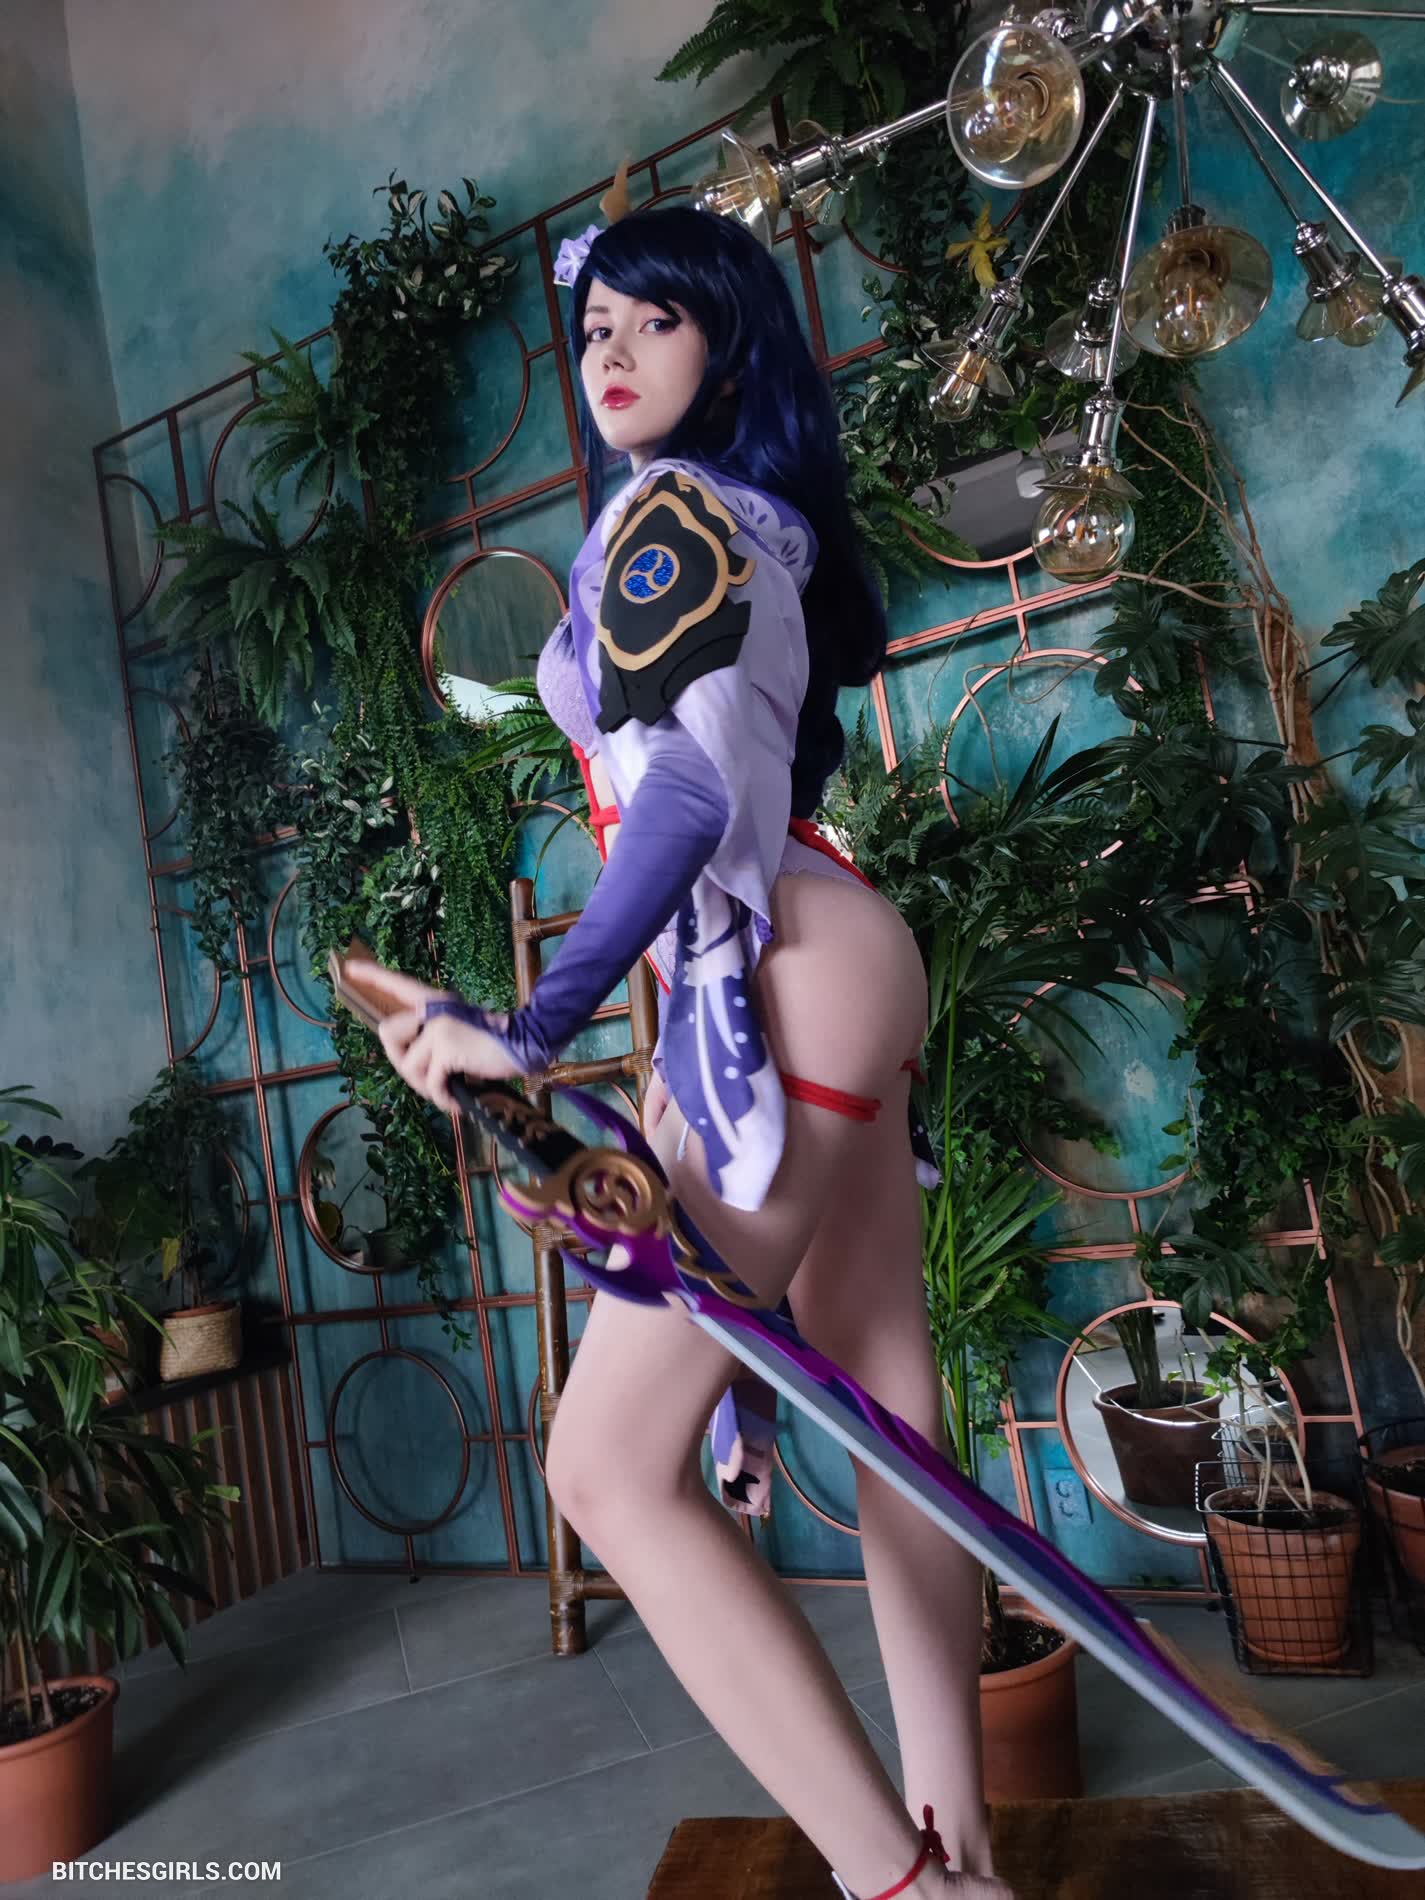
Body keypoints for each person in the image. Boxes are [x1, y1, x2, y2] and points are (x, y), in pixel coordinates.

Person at [350, 203, 1012, 1900]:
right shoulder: (743, 516)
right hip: (824, 955)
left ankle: (899, 1884)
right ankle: (963, 1850)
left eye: (656, 321)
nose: (614, 354)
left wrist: (531, 1023)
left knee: (602, 1465)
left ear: (726, 346)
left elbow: (699, 796)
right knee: (887, 1412)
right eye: (596, 329)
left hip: (782, 966)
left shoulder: (670, 516)